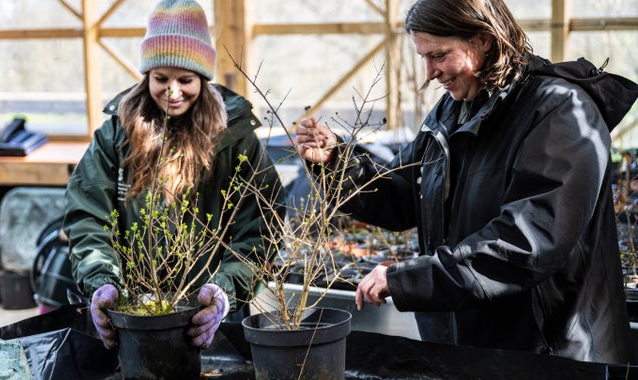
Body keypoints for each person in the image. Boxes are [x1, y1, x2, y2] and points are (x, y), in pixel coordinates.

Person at [295, 0, 638, 364]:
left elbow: (527, 242)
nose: (429, 73)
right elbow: (403, 194)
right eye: (423, 57)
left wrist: (408, 279)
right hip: (470, 351)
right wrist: (335, 164)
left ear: (484, 40)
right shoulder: (450, 113)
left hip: (548, 355)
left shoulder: (558, 112)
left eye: (439, 55)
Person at [63, 0, 283, 350]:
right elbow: (88, 217)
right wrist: (102, 282)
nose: (173, 91)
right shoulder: (115, 136)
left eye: (186, 79)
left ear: (203, 78)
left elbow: (258, 228)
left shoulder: (235, 140)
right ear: (146, 75)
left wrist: (224, 290)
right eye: (161, 78)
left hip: (208, 318)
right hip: (133, 317)